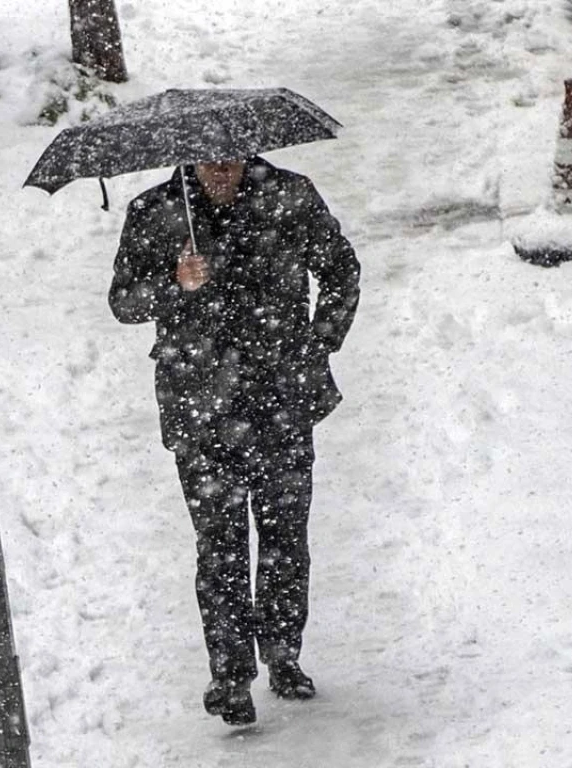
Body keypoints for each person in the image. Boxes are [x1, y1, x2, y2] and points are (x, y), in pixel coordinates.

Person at [108, 157, 359, 726]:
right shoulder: (155, 212)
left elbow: (341, 269)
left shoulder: (289, 196)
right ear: (189, 159)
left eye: (231, 159)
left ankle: (282, 655)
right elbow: (123, 302)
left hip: (281, 397)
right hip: (199, 405)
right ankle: (230, 675)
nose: (220, 170)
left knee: (283, 536)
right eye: (209, 161)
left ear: (248, 155)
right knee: (218, 545)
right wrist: (174, 282)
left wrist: (319, 342)